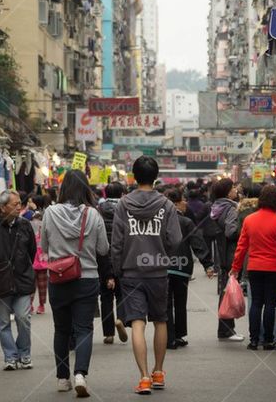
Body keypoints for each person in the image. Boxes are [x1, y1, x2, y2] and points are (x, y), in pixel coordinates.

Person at [109, 156, 182, 395]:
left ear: (134, 176)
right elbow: (176, 240)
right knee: (160, 321)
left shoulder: (123, 204)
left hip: (131, 271)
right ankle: (158, 372)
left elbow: (116, 242)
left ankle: (143, 378)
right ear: (156, 176)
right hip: (158, 271)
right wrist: (163, 255)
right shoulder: (166, 205)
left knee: (138, 324)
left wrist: (117, 269)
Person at [42, 170, 109, 398]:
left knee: (61, 330)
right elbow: (103, 249)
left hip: (58, 278)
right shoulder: (93, 214)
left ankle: (63, 378)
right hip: (87, 278)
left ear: (64, 188)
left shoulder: (50, 212)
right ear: (85, 188)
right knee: (84, 329)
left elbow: (44, 246)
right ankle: (81, 374)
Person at [0, 190, 37, 371]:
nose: (19, 207)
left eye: (20, 203)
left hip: (22, 278)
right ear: (3, 207)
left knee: (23, 318)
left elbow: (32, 251)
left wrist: (23, 267)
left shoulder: (25, 225)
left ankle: (24, 354)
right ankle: (10, 357)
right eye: (15, 204)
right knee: (3, 322)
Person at [229, 185, 276, 351]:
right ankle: (269, 341)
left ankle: (254, 340)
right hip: (274, 268)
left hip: (254, 267)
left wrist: (235, 267)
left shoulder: (249, 220)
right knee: (271, 304)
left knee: (256, 303)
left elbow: (242, 247)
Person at [164, 187, 214, 349]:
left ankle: (169, 338)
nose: (186, 203)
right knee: (180, 302)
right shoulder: (186, 222)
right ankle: (179, 335)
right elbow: (197, 243)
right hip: (182, 268)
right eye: (183, 200)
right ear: (176, 204)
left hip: (161, 267)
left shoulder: (159, 221)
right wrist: (207, 264)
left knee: (165, 304)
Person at [206, 178, 243, 342]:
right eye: (233, 188)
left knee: (226, 291)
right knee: (228, 292)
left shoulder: (217, 207)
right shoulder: (231, 208)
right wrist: (243, 231)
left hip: (221, 253)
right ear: (228, 192)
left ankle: (226, 329)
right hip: (230, 254)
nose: (236, 190)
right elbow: (230, 232)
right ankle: (226, 330)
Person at [98, 182, 128, 344]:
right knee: (121, 293)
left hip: (103, 256)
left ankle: (108, 333)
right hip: (122, 256)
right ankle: (121, 319)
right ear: (122, 194)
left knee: (106, 296)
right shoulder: (127, 209)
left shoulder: (98, 210)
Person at [30, 195, 49, 315]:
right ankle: (30, 304)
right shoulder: (30, 231)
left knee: (42, 285)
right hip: (32, 261)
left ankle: (41, 305)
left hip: (42, 261)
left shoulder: (45, 232)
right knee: (31, 285)